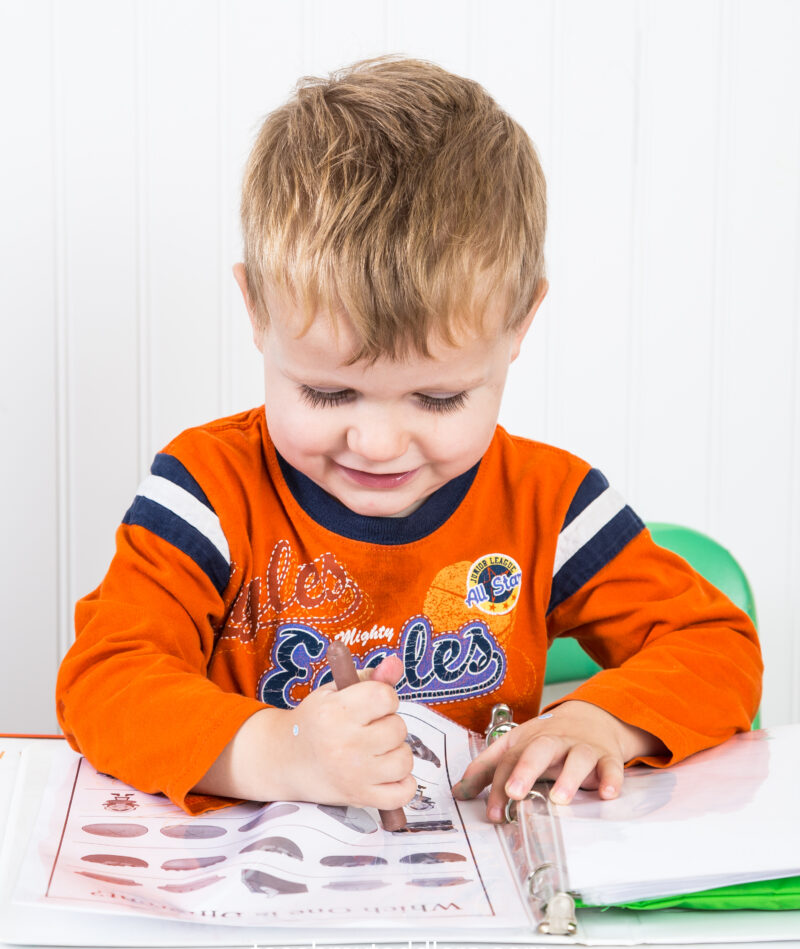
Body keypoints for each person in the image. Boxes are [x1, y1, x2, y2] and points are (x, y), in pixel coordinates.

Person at [55, 55, 762, 823]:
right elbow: (104, 678)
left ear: (520, 325)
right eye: (328, 391)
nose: (379, 442)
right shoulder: (205, 490)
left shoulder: (550, 505)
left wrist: (599, 722)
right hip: (261, 904)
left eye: (438, 397)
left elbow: (716, 644)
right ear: (257, 309)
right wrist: (282, 751)